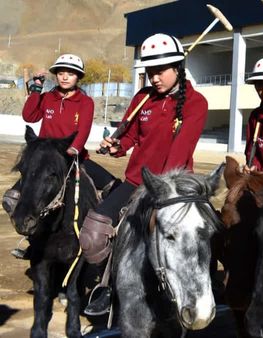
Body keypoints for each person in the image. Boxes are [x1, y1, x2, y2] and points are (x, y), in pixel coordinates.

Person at [79, 33, 208, 316]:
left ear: (178, 68)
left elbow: (180, 150)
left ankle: (198, 288)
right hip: (136, 181)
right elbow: (130, 138)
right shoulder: (142, 98)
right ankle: (107, 286)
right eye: (149, 71)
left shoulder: (195, 103)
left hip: (173, 189)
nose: (154, 78)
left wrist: (160, 189)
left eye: (160, 71)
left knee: (195, 234)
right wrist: (116, 146)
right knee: (94, 231)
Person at [1, 54, 118, 259]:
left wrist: (73, 149)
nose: (65, 77)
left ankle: (101, 239)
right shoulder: (48, 98)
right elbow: (29, 116)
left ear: (78, 77)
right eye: (61, 73)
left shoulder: (86, 102)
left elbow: (83, 130)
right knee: (14, 198)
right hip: (46, 163)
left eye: (70, 74)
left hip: (74, 158)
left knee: (114, 187)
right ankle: (32, 241)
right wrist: (36, 89)